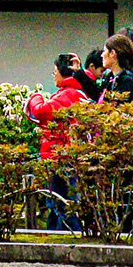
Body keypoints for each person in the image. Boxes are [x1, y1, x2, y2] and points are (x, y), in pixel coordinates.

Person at [27, 51, 87, 230]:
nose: (54, 76)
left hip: (59, 155)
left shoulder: (66, 95)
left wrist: (34, 97)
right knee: (59, 202)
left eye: (55, 72)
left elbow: (40, 111)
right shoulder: (80, 92)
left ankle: (66, 235)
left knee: (61, 202)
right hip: (69, 155)